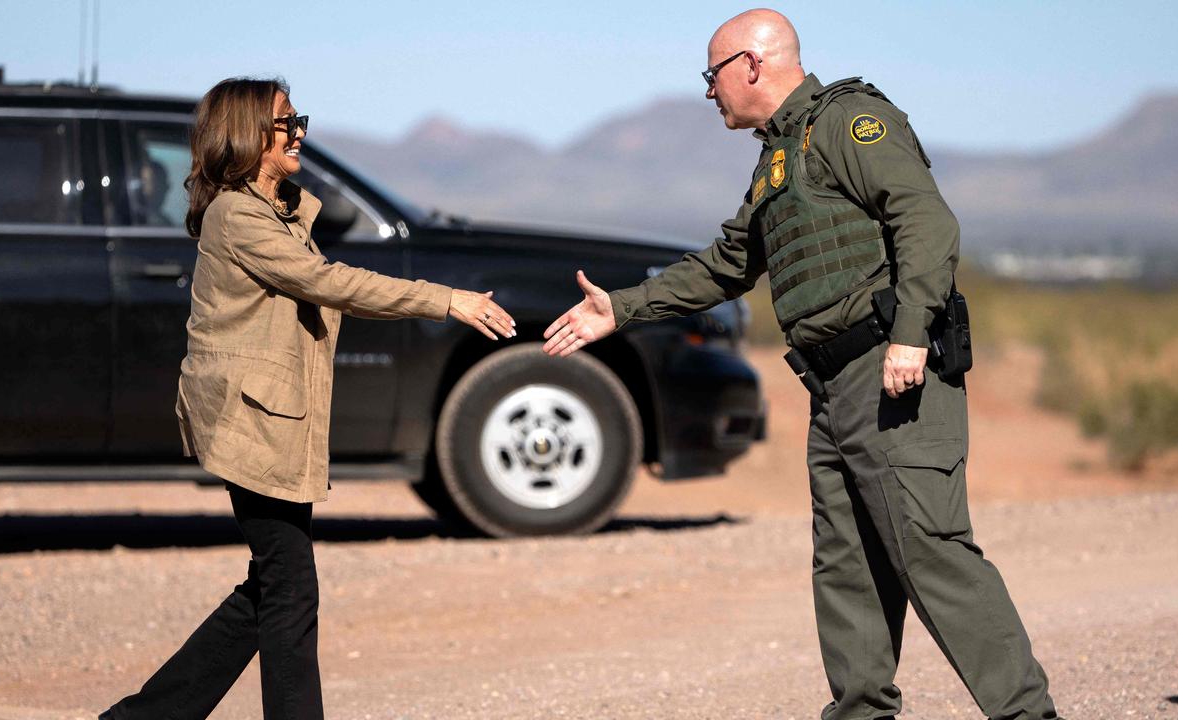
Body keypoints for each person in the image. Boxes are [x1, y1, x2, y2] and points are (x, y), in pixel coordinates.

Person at [543, 10, 1062, 720]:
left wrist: (910, 333)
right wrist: (623, 308)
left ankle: (1028, 714)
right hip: (833, 387)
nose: (707, 93)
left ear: (752, 64)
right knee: (847, 566)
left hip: (892, 371)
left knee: (929, 554)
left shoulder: (849, 122)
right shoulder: (779, 156)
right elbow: (730, 262)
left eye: (712, 75)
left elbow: (928, 222)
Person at [101, 77, 516, 720]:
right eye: (285, 122)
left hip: (268, 417)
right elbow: (327, 282)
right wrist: (445, 299)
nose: (299, 132)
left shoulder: (277, 210)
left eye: (298, 119)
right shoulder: (236, 214)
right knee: (290, 587)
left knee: (271, 585)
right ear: (246, 136)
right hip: (250, 420)